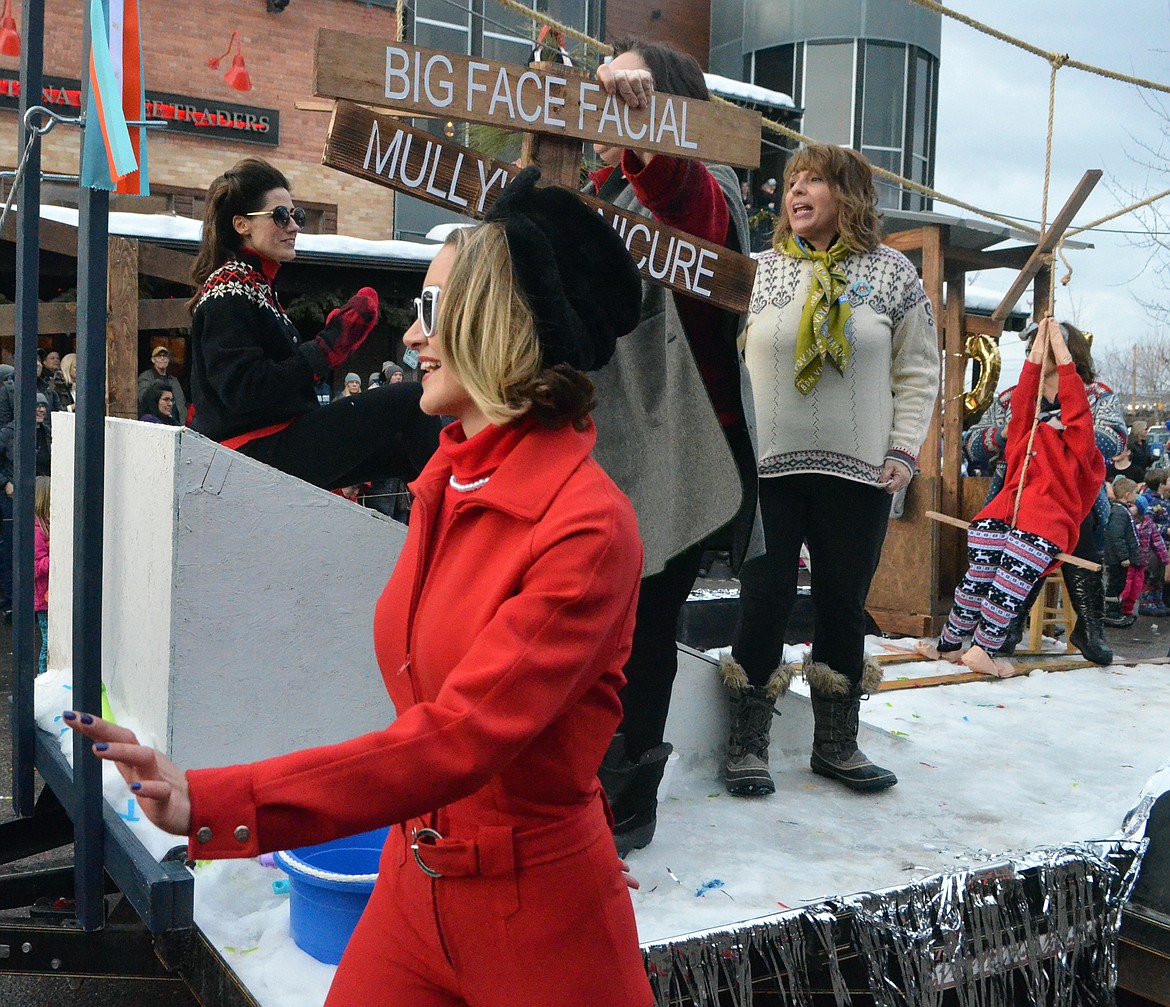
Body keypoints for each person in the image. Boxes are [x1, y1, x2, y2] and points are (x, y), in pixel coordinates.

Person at [63, 167, 654, 1007]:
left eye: (434, 310)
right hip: (415, 886)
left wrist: (217, 798)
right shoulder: (445, 479)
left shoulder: (588, 526)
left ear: (501, 326)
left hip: (537, 921)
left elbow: (455, 738)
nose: (413, 336)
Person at [582, 38, 764, 851]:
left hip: (689, 450)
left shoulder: (705, 174)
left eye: (637, 85)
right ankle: (584, 782)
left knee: (645, 623)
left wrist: (646, 134)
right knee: (594, 622)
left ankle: (626, 800)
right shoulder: (607, 185)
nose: (614, 94)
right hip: (612, 443)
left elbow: (696, 214)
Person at [719, 143, 939, 794]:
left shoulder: (895, 274)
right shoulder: (755, 271)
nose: (798, 191)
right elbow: (723, 357)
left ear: (852, 195)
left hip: (861, 475)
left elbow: (919, 367)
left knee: (843, 606)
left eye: (815, 180)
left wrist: (904, 450)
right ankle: (745, 745)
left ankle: (837, 745)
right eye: (793, 182)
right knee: (766, 599)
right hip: (768, 472)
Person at [187, 157, 440, 490]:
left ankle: (445, 524)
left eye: (297, 216)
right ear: (241, 225)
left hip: (269, 444)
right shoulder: (229, 287)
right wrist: (323, 350)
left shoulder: (256, 287)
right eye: (280, 216)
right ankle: (468, 526)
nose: (293, 226)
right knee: (411, 400)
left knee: (399, 452)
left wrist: (324, 348)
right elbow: (243, 391)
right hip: (249, 453)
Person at [924, 319, 1104, 676]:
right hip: (1024, 514)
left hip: (1018, 514)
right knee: (1005, 582)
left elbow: (1089, 424)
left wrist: (1058, 356)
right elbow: (995, 427)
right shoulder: (1025, 417)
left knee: (985, 577)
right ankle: (982, 650)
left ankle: (950, 643)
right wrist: (1040, 355)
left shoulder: (1090, 403)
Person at [964, 320, 1123, 665]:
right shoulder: (1012, 396)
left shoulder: (1097, 395)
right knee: (1012, 533)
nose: (1035, 351)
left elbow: (1115, 439)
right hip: (1016, 494)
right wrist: (1006, 433)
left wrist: (1066, 430)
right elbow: (972, 444)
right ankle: (1005, 627)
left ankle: (1090, 627)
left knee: (1075, 531)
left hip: (1073, 498)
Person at [0, 393, 52, 621]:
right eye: (37, 405)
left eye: (44, 406)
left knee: (39, 550)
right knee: (14, 549)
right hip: (14, 498)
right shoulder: (9, 432)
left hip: (42, 498)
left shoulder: (48, 433)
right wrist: (5, 482)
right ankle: (12, 603)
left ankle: (35, 603)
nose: (41, 410)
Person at [1104, 477, 1141, 627]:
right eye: (1135, 493)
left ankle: (1115, 611)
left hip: (1118, 557)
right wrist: (1124, 556)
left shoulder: (1122, 510)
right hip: (1117, 559)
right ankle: (1111, 612)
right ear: (1127, 495)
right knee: (1115, 584)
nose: (1136, 496)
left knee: (1119, 584)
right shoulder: (1120, 512)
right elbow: (1116, 536)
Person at [137, 346, 187, 425]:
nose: (162, 359)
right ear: (153, 360)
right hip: (157, 423)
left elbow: (182, 402)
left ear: (168, 360)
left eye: (165, 356)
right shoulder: (145, 377)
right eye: (159, 356)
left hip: (176, 423)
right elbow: (145, 399)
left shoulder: (174, 380)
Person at [33, 475, 50, 676]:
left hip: (48, 595)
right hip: (42, 597)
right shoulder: (37, 530)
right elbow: (35, 567)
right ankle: (43, 676)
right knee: (47, 640)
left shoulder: (45, 526)